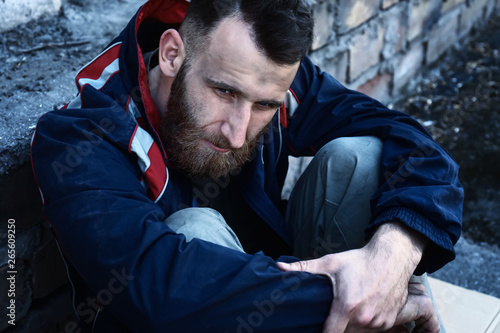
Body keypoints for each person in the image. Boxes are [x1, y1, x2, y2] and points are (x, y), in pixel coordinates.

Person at [30, 0, 463, 332]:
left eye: (264, 106)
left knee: (363, 157)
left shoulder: (260, 76)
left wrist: (394, 253)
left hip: (270, 287)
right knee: (194, 229)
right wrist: (356, 295)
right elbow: (158, 286)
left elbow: (415, 144)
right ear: (171, 54)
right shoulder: (82, 138)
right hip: (182, 315)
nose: (237, 133)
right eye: (224, 93)